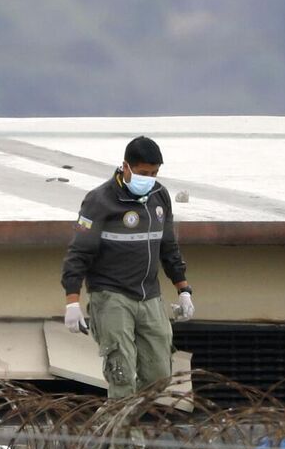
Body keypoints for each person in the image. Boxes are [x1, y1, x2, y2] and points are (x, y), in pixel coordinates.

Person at [61, 136, 195, 400]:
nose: (150, 178)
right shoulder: (99, 201)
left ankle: (108, 430)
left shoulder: (160, 197)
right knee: (122, 375)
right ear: (126, 167)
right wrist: (72, 302)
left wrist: (183, 289)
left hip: (149, 295)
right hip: (111, 296)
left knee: (158, 376)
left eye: (155, 173)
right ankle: (125, 442)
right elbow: (79, 253)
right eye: (144, 173)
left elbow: (168, 247)